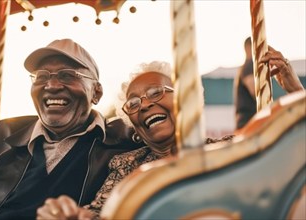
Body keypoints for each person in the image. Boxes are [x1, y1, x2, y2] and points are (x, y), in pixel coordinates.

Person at [36, 47, 304, 219]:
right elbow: (101, 212)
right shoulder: (127, 166)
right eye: (134, 103)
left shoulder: (230, 150)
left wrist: (294, 90)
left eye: (156, 93)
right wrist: (72, 216)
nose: (145, 104)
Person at [0, 38, 141, 219]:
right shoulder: (2, 134)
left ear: (97, 92)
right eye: (42, 76)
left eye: (67, 75)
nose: (52, 85)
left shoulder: (123, 139)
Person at [234, 37, 255, 130]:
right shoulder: (249, 66)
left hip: (244, 120)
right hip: (248, 121)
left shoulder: (244, 68)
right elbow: (254, 90)